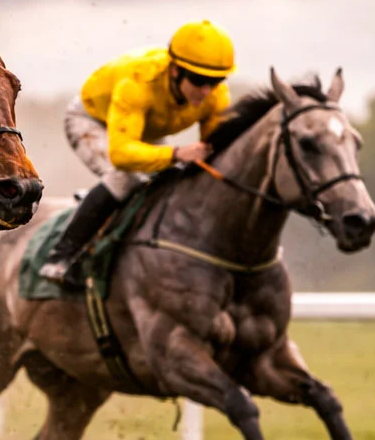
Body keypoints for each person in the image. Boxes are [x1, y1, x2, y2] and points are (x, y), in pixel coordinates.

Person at [38, 20, 235, 285]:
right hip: (93, 121)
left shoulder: (216, 96)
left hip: (141, 131)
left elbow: (215, 155)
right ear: (176, 71)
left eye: (216, 81)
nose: (206, 91)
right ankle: (61, 256)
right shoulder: (138, 82)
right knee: (126, 177)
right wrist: (176, 154)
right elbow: (121, 154)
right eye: (199, 81)